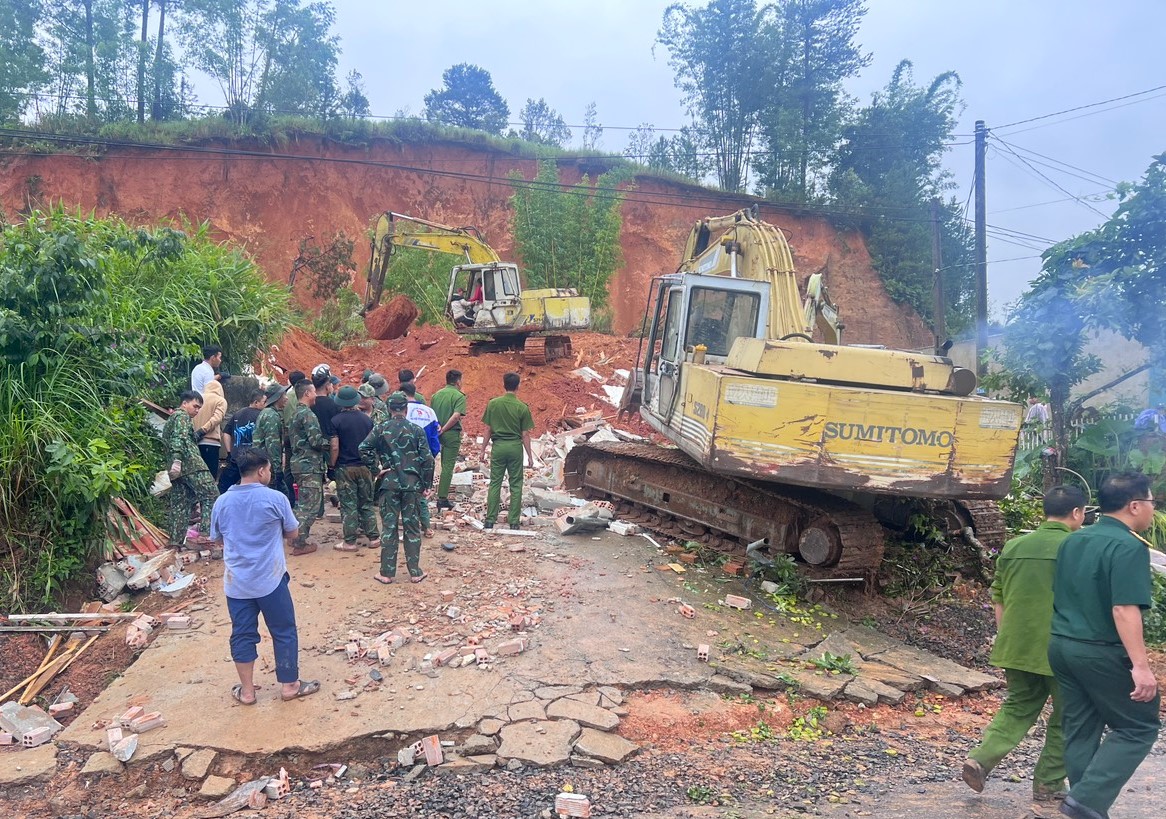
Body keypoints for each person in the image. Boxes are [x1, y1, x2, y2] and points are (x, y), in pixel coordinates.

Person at [963, 485, 1088, 801]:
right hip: (1065, 649)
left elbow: (999, 598)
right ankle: (1048, 783)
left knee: (1018, 706)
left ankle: (980, 758)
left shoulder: (1015, 546)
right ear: (1076, 513)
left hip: (1016, 646)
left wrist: (1008, 639)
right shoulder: (1081, 546)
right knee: (1067, 717)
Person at [1047, 472, 1161, 819]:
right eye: (1152, 503)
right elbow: (1123, 608)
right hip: (1099, 649)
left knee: (1082, 726)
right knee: (1139, 725)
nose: (1153, 512)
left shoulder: (1074, 540)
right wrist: (1140, 667)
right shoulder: (1127, 546)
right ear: (1135, 505)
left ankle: (1084, 805)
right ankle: (1087, 801)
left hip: (1062, 646)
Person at [210, 449, 320, 705]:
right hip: (270, 580)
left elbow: (216, 539)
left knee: (242, 634)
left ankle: (247, 692)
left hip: (237, 583)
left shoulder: (222, 502)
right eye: (269, 470)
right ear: (261, 471)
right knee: (283, 630)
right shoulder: (275, 498)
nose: (269, 474)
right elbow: (293, 534)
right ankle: (290, 686)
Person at [360, 391, 434, 585]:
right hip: (412, 486)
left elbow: (363, 448)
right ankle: (415, 572)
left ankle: (386, 573)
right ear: (406, 409)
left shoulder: (381, 428)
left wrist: (376, 469)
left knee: (389, 528)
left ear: (389, 408)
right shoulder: (416, 430)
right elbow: (428, 459)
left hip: (389, 484)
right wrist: (426, 484)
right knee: (412, 528)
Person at [162, 390, 220, 548]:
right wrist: (177, 458)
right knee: (211, 495)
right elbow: (179, 438)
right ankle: (206, 536)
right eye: (195, 406)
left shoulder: (172, 419)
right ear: (184, 403)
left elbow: (182, 438)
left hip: (178, 470)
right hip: (191, 465)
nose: (197, 410)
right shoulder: (182, 416)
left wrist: (174, 462)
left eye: (199, 408)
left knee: (180, 504)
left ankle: (175, 543)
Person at [480, 372, 534, 529]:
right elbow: (525, 434)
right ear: (518, 386)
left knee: (495, 482)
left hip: (498, 447)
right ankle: (514, 522)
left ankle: (490, 520)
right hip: (515, 448)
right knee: (516, 484)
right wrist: (530, 456)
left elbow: (488, 429)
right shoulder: (522, 407)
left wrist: (482, 450)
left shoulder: (493, 404)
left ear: (503, 384)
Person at [330, 385, 380, 551]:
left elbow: (335, 446)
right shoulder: (367, 420)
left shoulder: (336, 421)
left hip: (345, 468)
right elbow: (373, 445)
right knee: (366, 503)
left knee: (349, 505)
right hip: (364, 467)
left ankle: (350, 542)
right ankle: (374, 538)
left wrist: (332, 464)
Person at [286, 380, 331, 556]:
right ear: (307, 394)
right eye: (313, 392)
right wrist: (332, 442)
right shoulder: (308, 415)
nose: (315, 396)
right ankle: (300, 542)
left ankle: (292, 535)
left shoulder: (295, 414)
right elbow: (316, 441)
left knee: (302, 502)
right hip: (309, 464)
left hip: (298, 463)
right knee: (310, 505)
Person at [403, 382, 441, 539]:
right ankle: (426, 527)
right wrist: (429, 457)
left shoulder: (399, 412)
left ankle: (407, 528)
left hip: (403, 460)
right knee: (421, 495)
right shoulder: (429, 412)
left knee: (402, 495)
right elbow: (435, 439)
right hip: (423, 460)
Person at [431, 369, 466, 511]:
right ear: (458, 381)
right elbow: (456, 416)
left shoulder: (436, 395)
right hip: (450, 434)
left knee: (430, 462)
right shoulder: (459, 396)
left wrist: (438, 429)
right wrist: (444, 429)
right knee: (447, 466)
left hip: (435, 433)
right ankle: (442, 498)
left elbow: (431, 414)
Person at [219, 389, 266, 493]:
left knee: (225, 487)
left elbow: (226, 433)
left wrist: (229, 451)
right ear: (256, 402)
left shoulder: (237, 414)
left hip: (236, 457)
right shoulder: (261, 415)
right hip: (253, 459)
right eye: (264, 402)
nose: (265, 405)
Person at [254, 382, 292, 505]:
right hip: (268, 465)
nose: (286, 398)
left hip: (263, 463)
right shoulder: (272, 416)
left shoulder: (266, 413)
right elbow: (272, 444)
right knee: (280, 499)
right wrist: (276, 468)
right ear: (277, 397)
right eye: (284, 395)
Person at [193, 373, 229, 478]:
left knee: (198, 475)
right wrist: (203, 430)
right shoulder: (220, 400)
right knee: (210, 476)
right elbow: (217, 418)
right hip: (211, 442)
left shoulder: (198, 400)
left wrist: (197, 433)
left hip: (196, 443)